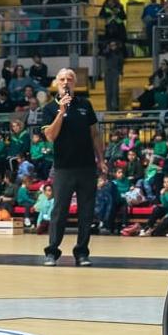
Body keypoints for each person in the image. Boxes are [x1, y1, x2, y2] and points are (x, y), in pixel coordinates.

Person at [40, 67, 102, 267]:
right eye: (62, 79)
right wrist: (61, 112)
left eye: (69, 79)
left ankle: (82, 253)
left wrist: (101, 159)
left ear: (75, 83)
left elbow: (94, 134)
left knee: (86, 212)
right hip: (63, 168)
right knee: (59, 211)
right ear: (56, 83)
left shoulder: (85, 104)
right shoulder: (49, 108)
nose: (66, 82)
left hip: (86, 167)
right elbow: (50, 136)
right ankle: (52, 252)